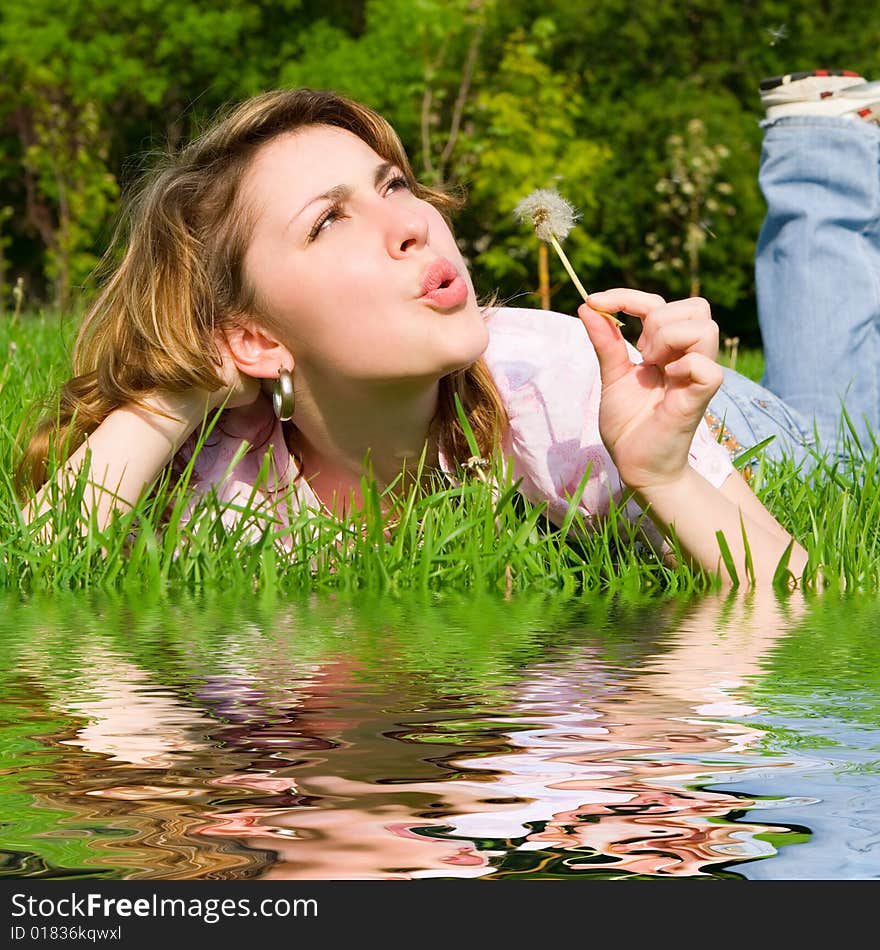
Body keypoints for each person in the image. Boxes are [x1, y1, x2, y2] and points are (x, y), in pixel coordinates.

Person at [19, 73, 875, 588]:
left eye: (394, 185)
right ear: (255, 339)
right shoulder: (239, 482)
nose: (414, 223)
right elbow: (41, 582)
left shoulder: (560, 387)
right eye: (327, 222)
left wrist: (662, 471)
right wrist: (176, 389)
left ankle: (821, 152)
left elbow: (804, 599)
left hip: (714, 419)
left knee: (847, 439)